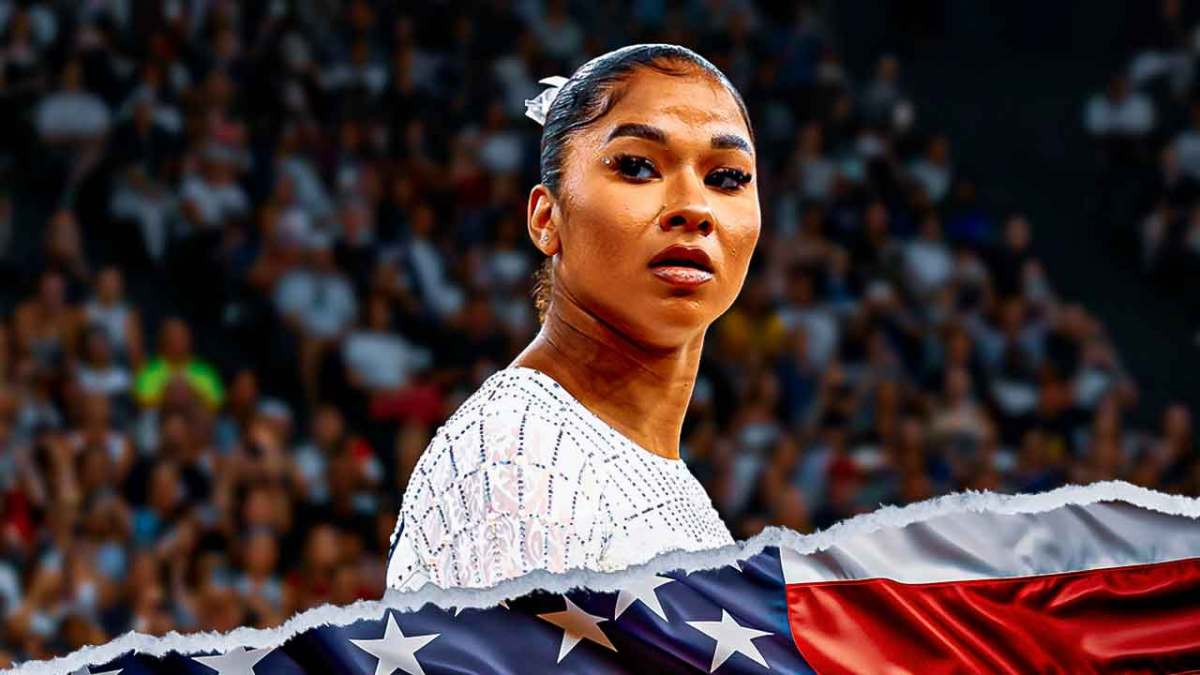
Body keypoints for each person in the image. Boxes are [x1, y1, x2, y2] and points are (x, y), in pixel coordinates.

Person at [386, 44, 759, 591]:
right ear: (546, 218)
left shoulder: (666, 488)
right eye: (637, 166)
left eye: (726, 177)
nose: (694, 207)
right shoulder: (519, 451)